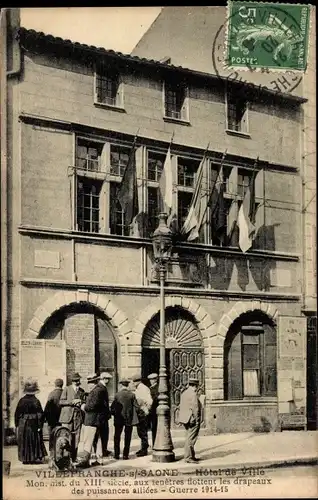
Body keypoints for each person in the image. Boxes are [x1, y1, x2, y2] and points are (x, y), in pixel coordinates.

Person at [77, 372, 112, 467]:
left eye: (91, 382)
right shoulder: (100, 389)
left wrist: (83, 406)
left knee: (88, 440)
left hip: (92, 419)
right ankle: (99, 460)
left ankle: (85, 461)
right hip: (98, 420)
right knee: (98, 440)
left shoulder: (96, 391)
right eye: (89, 382)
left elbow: (92, 406)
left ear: (95, 382)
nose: (89, 384)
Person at [14, 378, 47, 464]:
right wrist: (40, 426)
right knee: (33, 440)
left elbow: (17, 413)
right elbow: (40, 415)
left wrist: (16, 424)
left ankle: (25, 459)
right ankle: (33, 458)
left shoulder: (21, 401)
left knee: (24, 440)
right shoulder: (36, 401)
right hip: (33, 423)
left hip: (22, 423)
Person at [59, 372, 86, 462]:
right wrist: (72, 402)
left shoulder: (82, 391)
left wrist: (81, 402)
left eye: (78, 380)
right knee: (67, 437)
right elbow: (61, 402)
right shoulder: (66, 389)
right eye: (75, 381)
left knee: (77, 438)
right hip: (68, 417)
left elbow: (84, 402)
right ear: (72, 381)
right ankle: (66, 458)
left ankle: (74, 458)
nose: (76, 382)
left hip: (78, 417)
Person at [111, 378, 139, 460]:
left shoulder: (117, 395)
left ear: (121, 385)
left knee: (117, 437)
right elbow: (136, 407)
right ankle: (125, 455)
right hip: (129, 418)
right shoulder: (132, 395)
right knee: (127, 437)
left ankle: (116, 454)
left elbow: (113, 407)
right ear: (127, 385)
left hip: (119, 418)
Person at [179, 376, 202, 463]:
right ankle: (188, 457)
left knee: (188, 436)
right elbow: (195, 408)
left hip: (185, 419)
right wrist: (197, 419)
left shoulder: (184, 393)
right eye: (197, 386)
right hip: (192, 419)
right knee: (191, 438)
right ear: (195, 386)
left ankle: (191, 456)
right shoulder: (193, 394)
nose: (197, 388)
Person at [131, 374, 152, 457]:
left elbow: (149, 401)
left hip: (143, 412)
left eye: (134, 382)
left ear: (138, 381)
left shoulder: (144, 388)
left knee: (143, 432)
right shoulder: (138, 389)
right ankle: (143, 447)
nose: (133, 384)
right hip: (139, 413)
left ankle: (144, 450)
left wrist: (145, 409)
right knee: (140, 432)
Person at [43, 378, 64, 457]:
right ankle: (60, 454)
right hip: (62, 419)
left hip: (52, 420)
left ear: (55, 385)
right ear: (62, 385)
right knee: (61, 436)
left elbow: (47, 407)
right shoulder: (64, 393)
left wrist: (45, 418)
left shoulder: (51, 394)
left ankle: (52, 454)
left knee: (52, 437)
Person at [148, 373, 159, 447]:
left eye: (152, 379)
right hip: (153, 411)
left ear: (156, 379)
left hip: (155, 410)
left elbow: (155, 399)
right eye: (150, 380)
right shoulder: (151, 387)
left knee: (155, 427)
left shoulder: (156, 388)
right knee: (153, 427)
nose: (151, 381)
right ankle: (154, 442)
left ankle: (155, 443)